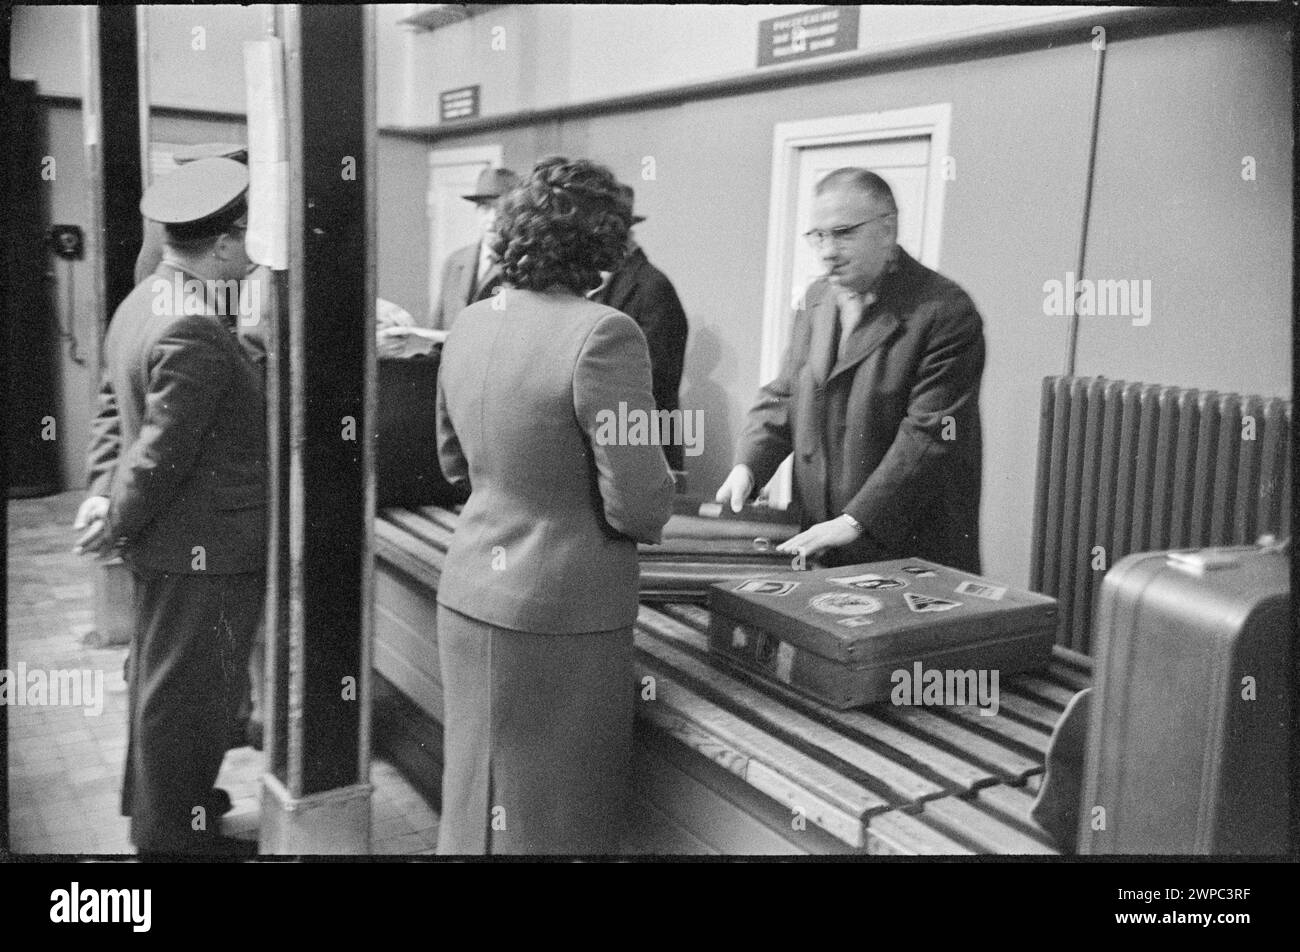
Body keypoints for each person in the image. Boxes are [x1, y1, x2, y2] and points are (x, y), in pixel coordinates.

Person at [434, 156, 676, 854]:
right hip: (563, 612)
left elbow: (454, 462)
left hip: (471, 590)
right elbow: (639, 504)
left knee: (476, 806)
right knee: (556, 820)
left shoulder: (474, 322)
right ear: (601, 240)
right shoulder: (605, 333)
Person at [75, 157, 267, 857]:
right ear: (223, 242)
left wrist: (101, 498)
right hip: (207, 549)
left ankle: (176, 807)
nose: (256, 252)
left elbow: (110, 411)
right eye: (251, 237)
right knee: (188, 702)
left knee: (164, 690)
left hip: (171, 544)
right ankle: (175, 842)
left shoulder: (145, 302)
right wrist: (113, 520)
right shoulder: (194, 329)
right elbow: (158, 456)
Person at [716, 167, 985, 573]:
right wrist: (748, 466)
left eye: (843, 233)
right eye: (818, 236)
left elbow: (929, 435)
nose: (827, 251)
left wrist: (855, 520)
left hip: (906, 550)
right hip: (825, 541)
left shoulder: (945, 311)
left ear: (887, 229)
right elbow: (786, 393)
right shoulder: (816, 299)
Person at [590, 184, 689, 471]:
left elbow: (650, 377)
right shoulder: (597, 284)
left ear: (624, 234)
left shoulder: (652, 287)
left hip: (642, 443)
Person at [428, 166, 521, 331]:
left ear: (516, 215)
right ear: (476, 212)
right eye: (486, 209)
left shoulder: (523, 264)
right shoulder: (455, 262)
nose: (492, 219)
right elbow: (438, 326)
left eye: (502, 210)